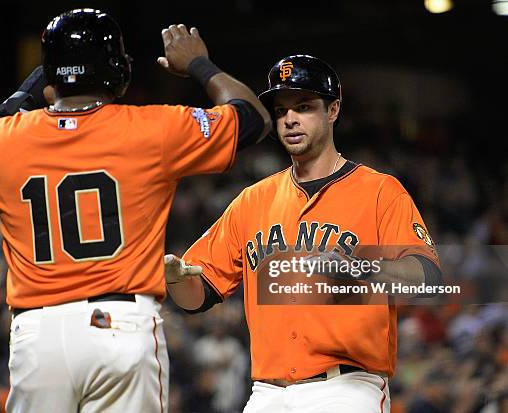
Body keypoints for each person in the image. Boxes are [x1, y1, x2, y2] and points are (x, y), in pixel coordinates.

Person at [0, 9, 270, 413]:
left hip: (37, 331)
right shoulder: (154, 128)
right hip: (120, 323)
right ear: (118, 69)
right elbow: (253, 118)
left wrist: (23, 95)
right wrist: (198, 63)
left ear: (49, 75)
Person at [164, 54, 442, 412]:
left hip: (346, 386)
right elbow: (197, 296)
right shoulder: (253, 200)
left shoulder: (379, 192)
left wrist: (359, 270)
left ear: (333, 110)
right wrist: (173, 279)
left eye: (304, 106)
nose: (290, 119)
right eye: (281, 111)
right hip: (267, 393)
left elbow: (428, 276)